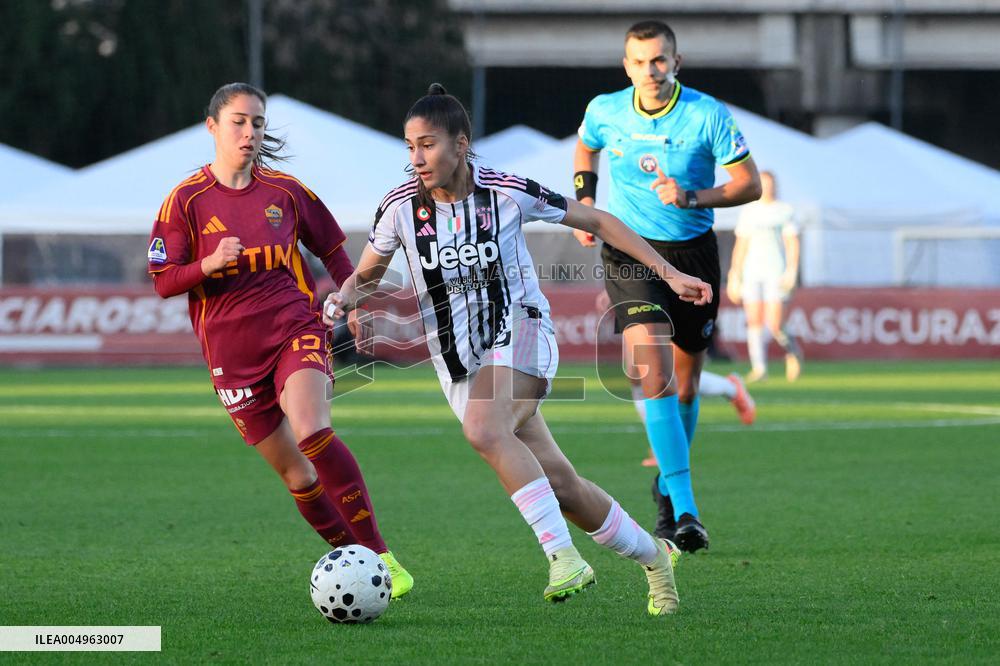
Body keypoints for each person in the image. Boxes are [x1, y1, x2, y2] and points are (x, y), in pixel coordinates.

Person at [324, 84, 713, 616]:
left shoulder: (507, 191)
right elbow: (366, 275)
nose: (416, 158)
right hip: (460, 363)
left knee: (483, 429)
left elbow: (597, 220)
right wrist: (344, 297)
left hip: (521, 331)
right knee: (563, 485)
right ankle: (656, 559)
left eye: (428, 145)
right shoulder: (398, 208)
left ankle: (563, 559)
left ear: (461, 145)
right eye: (410, 146)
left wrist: (668, 272)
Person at [146, 82, 412, 597]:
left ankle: (381, 558)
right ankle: (352, 561)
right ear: (213, 127)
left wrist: (350, 296)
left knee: (313, 431)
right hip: (231, 357)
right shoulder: (185, 201)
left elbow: (334, 249)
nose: (250, 132)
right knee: (297, 476)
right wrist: (208, 264)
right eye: (239, 122)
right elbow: (163, 279)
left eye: (258, 123)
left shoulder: (286, 192)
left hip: (295, 328)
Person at [572, 20, 762, 552]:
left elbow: (750, 184)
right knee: (651, 370)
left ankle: (666, 487)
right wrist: (585, 201)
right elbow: (585, 149)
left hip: (694, 254)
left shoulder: (707, 114)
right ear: (626, 65)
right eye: (640, 61)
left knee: (685, 385)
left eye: (660, 60)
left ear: (676, 62)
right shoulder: (605, 110)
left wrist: (693, 197)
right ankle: (686, 509)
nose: (650, 71)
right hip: (630, 253)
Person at [593, 290, 756, 467]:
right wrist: (613, 286)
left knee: (663, 371)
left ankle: (729, 388)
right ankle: (660, 443)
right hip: (632, 283)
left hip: (662, 282)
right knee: (635, 372)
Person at [727, 170, 803, 382]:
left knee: (775, 323)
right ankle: (759, 368)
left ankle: (793, 351)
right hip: (752, 272)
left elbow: (792, 243)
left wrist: (792, 270)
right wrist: (735, 274)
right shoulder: (749, 211)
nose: (768, 188)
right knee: (754, 320)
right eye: (764, 184)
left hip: (776, 271)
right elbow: (741, 244)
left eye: (771, 184)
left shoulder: (784, 210)